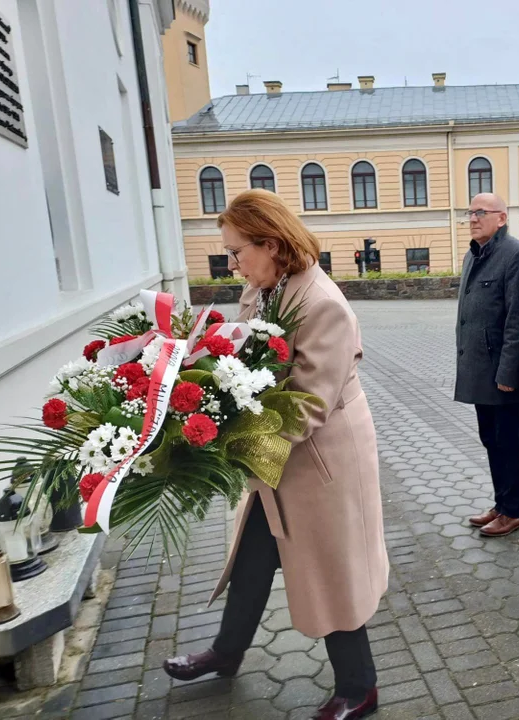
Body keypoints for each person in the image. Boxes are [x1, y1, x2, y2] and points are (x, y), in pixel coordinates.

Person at [163, 190, 389, 720]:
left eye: (237, 251)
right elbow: (244, 366)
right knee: (254, 555)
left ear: (271, 243)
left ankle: (360, 687)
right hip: (280, 456)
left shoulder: (321, 302)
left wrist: (229, 447)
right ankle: (226, 652)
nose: (233, 263)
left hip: (323, 459)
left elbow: (309, 403)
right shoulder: (264, 288)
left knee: (333, 568)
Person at [455, 193, 519, 538]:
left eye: (480, 212)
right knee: (491, 439)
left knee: (508, 441)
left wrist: (507, 373)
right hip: (479, 370)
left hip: (502, 374)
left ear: (501, 218)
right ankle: (501, 504)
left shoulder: (516, 255)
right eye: (470, 212)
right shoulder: (474, 255)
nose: (473, 218)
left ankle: (513, 511)